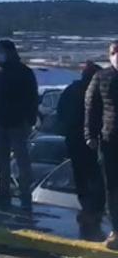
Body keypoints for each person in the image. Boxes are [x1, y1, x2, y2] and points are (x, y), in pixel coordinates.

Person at [58, 61, 105, 240]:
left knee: (84, 176)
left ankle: (89, 209)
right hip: (91, 140)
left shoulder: (75, 90)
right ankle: (93, 210)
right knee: (95, 176)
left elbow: (61, 112)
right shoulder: (99, 89)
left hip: (79, 139)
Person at [0, 39, 38, 211]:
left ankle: (25, 194)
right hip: (0, 121)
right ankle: (3, 193)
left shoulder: (24, 72)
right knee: (2, 160)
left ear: (9, 52)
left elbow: (33, 97)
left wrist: (30, 120)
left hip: (18, 122)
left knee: (21, 159)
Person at [86, 41, 118, 249]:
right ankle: (116, 230)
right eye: (114, 52)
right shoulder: (101, 77)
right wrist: (90, 135)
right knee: (113, 188)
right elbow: (91, 108)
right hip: (110, 141)